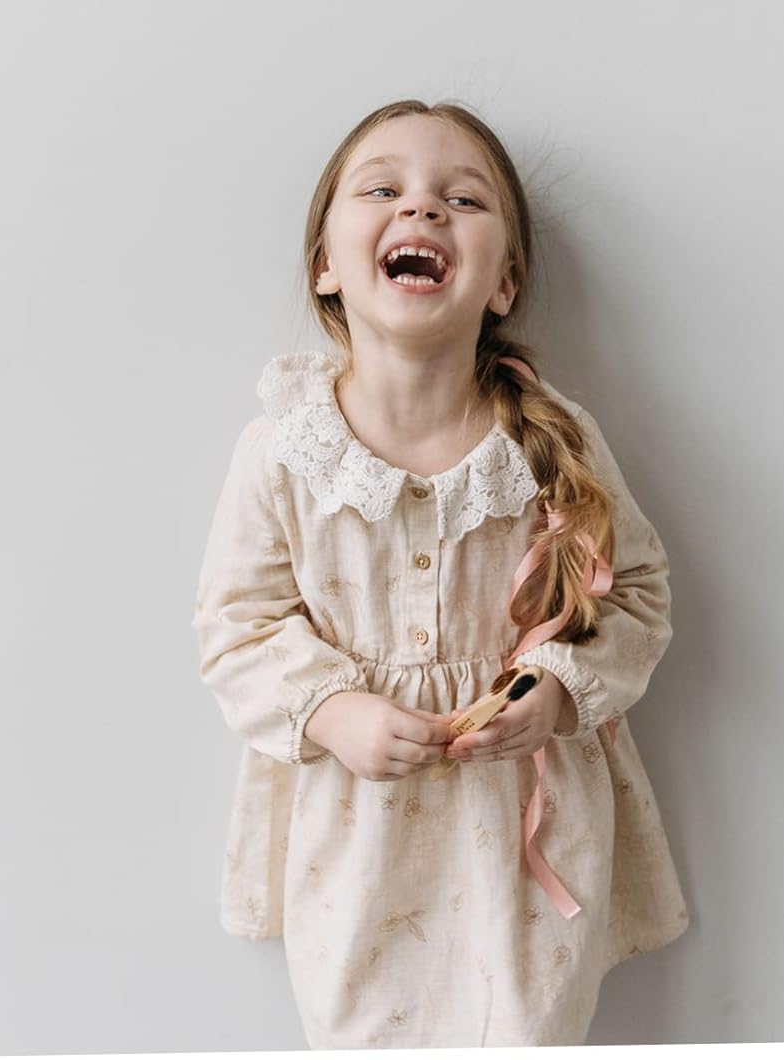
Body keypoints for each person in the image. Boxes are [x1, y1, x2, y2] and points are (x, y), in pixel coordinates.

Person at [191, 99, 689, 1047]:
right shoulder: (285, 451)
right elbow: (236, 628)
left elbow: (636, 594)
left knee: (529, 1034)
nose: (420, 209)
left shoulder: (551, 442)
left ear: (505, 282)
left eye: (461, 200)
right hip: (356, 835)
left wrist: (555, 689)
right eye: (382, 190)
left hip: (524, 828)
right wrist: (332, 710)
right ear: (326, 264)